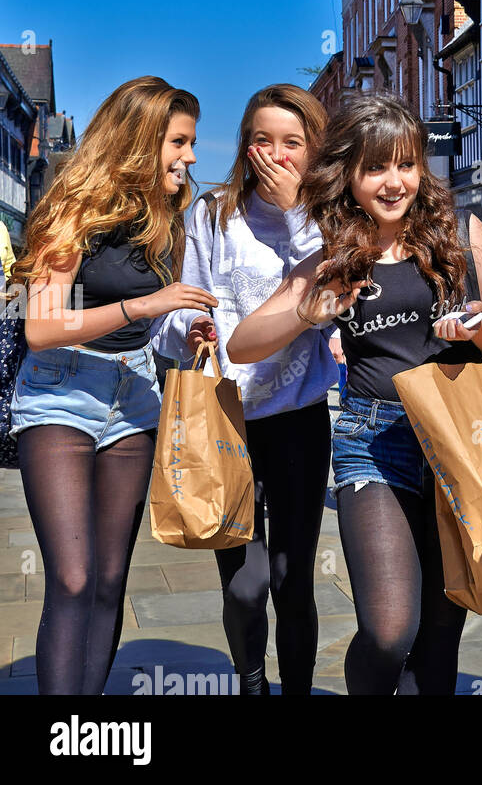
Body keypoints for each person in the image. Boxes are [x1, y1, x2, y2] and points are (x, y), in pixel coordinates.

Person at [228, 94, 482, 694]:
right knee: (389, 631)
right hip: (374, 441)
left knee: (440, 640)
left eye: (406, 164)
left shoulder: (461, 236)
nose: (395, 183)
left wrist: (475, 326)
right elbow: (242, 344)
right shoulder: (334, 259)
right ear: (350, 176)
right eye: (375, 168)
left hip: (460, 441)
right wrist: (311, 311)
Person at [9, 76, 218, 695]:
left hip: (135, 397)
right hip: (61, 392)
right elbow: (42, 326)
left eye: (193, 142)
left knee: (108, 581)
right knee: (71, 578)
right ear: (141, 139)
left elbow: (154, 323)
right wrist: (148, 305)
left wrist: (184, 331)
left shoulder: (167, 216)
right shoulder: (74, 210)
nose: (191, 156)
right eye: (179, 142)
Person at [152, 84, 333, 696]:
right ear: (244, 144)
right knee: (245, 581)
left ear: (314, 150)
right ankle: (251, 684)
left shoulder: (329, 219)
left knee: (294, 576)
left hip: (299, 416)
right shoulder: (212, 213)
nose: (275, 155)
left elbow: (335, 304)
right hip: (225, 415)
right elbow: (178, 311)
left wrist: (297, 215)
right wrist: (192, 325)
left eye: (291, 143)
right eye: (261, 140)